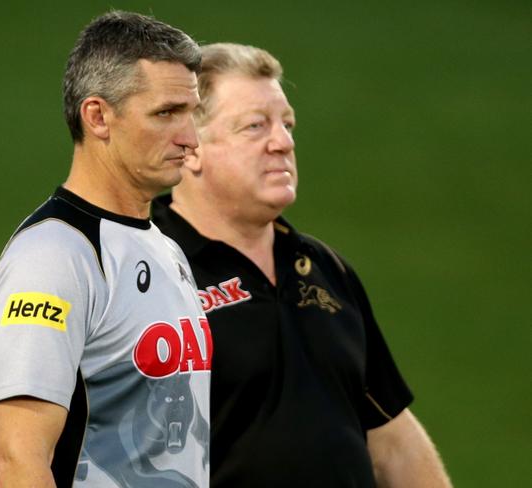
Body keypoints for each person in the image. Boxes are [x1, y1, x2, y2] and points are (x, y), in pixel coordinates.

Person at [153, 43, 452, 487]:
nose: (283, 142)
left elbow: (393, 441)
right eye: (255, 126)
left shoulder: (326, 270)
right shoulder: (144, 270)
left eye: (287, 124)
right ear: (191, 148)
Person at [0, 11, 212, 488]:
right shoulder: (53, 260)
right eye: (166, 113)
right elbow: (18, 459)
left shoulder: (167, 250)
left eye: (193, 113)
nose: (190, 137)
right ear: (98, 116)